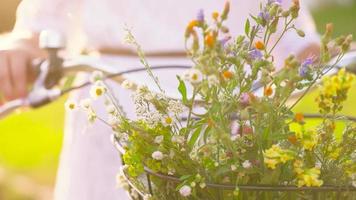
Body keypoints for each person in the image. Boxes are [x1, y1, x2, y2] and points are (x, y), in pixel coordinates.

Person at [0, 0, 320, 199]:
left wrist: (319, 57)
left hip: (233, 113)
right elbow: (44, 22)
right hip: (114, 103)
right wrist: (22, 48)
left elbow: (293, 34)